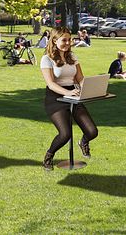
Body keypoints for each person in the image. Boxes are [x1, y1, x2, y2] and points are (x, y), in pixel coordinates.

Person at [40, 27, 98, 171]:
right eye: (64, 40)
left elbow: (80, 78)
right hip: (55, 98)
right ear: (54, 40)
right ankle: (48, 156)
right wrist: (68, 92)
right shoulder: (47, 59)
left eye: (69, 39)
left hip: (73, 95)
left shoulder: (72, 56)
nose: (68, 43)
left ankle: (83, 142)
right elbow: (51, 84)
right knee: (65, 134)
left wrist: (89, 90)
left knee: (92, 132)